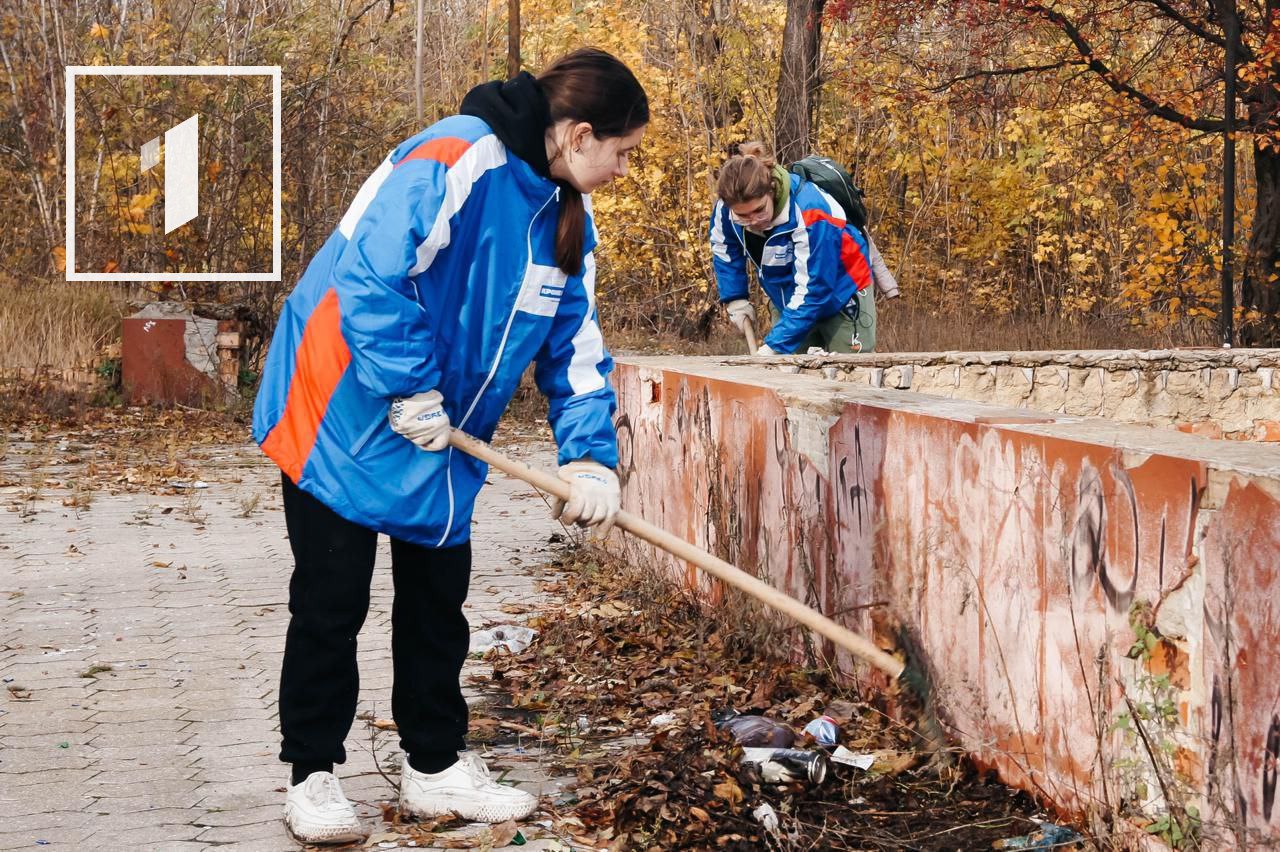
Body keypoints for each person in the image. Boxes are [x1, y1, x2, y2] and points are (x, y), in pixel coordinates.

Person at [251, 48, 648, 845]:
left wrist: (589, 458)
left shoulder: (568, 221)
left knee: (439, 601)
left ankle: (434, 766)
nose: (624, 169)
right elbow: (369, 272)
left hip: (444, 429)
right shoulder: (457, 154)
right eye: (623, 152)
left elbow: (575, 351)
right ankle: (314, 774)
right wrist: (407, 387)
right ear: (576, 135)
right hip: (343, 406)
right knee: (332, 601)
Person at [709, 142, 890, 355]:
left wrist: (775, 346)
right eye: (743, 216)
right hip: (787, 294)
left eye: (759, 210)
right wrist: (735, 298)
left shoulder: (811, 213)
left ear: (771, 189)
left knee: (846, 371)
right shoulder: (726, 209)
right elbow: (725, 250)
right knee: (793, 371)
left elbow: (815, 287)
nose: (753, 221)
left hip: (842, 290)